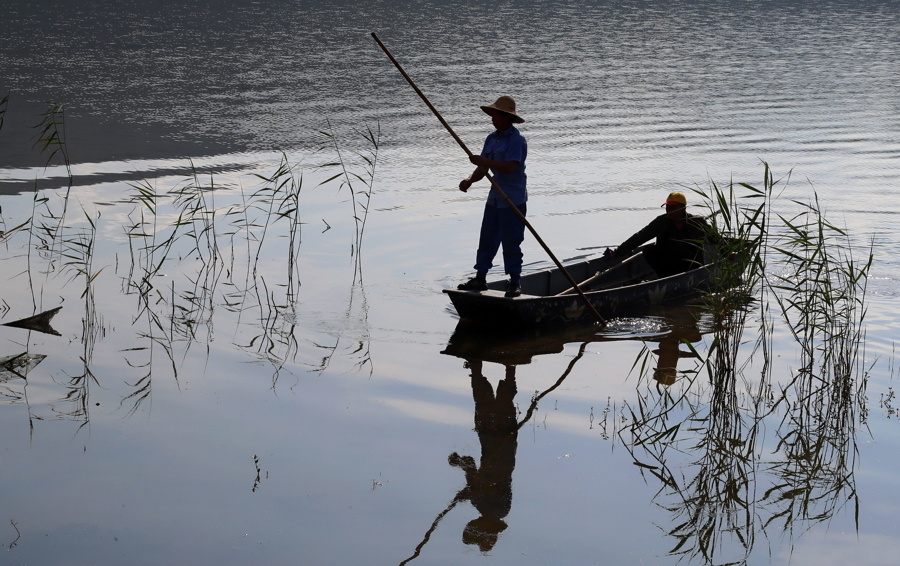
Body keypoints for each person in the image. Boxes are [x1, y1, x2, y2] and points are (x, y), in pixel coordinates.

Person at [456, 96, 528, 298]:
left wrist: (484, 160)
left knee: (511, 241)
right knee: (487, 238)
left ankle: (515, 282)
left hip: (512, 198)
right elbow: (484, 167)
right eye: (493, 114)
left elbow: (510, 167)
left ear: (506, 117)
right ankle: (480, 277)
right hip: (495, 198)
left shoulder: (517, 140)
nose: (492, 118)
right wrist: (470, 180)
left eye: (496, 115)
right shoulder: (491, 139)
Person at [609, 191, 712, 277]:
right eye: (667, 207)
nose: (668, 211)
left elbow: (715, 239)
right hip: (670, 263)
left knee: (680, 247)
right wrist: (618, 251)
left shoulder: (697, 222)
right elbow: (640, 237)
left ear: (683, 208)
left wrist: (727, 253)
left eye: (672, 208)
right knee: (649, 250)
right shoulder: (661, 222)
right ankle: (664, 277)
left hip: (691, 264)